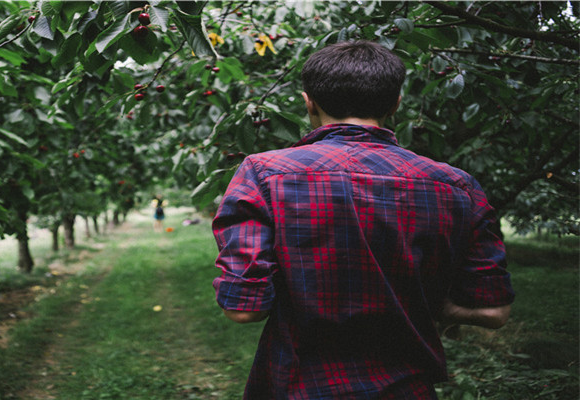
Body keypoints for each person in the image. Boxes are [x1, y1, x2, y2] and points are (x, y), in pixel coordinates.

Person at [211, 40, 514, 399]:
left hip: (302, 387)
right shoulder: (457, 185)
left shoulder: (264, 174)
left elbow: (244, 310)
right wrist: (429, 304)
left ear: (309, 102)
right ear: (395, 104)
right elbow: (494, 311)